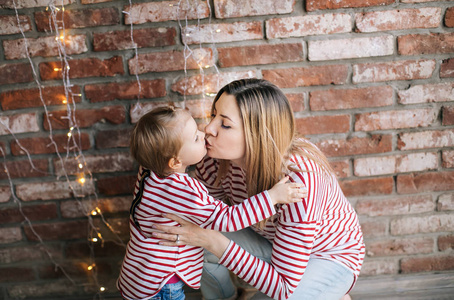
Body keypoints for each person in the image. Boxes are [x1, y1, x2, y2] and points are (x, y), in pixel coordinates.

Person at [152, 79, 366, 300]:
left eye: (225, 124)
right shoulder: (212, 156)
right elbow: (208, 218)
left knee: (206, 239)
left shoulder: (298, 180)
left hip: (326, 255)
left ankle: (332, 292)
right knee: (190, 235)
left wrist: (211, 241)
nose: (208, 129)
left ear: (258, 134)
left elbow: (283, 287)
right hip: (273, 243)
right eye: (213, 115)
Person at [116, 106, 307, 300]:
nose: (204, 133)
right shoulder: (184, 191)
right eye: (196, 138)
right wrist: (272, 197)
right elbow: (227, 219)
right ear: (174, 162)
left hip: (138, 273)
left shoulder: (148, 172)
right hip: (163, 285)